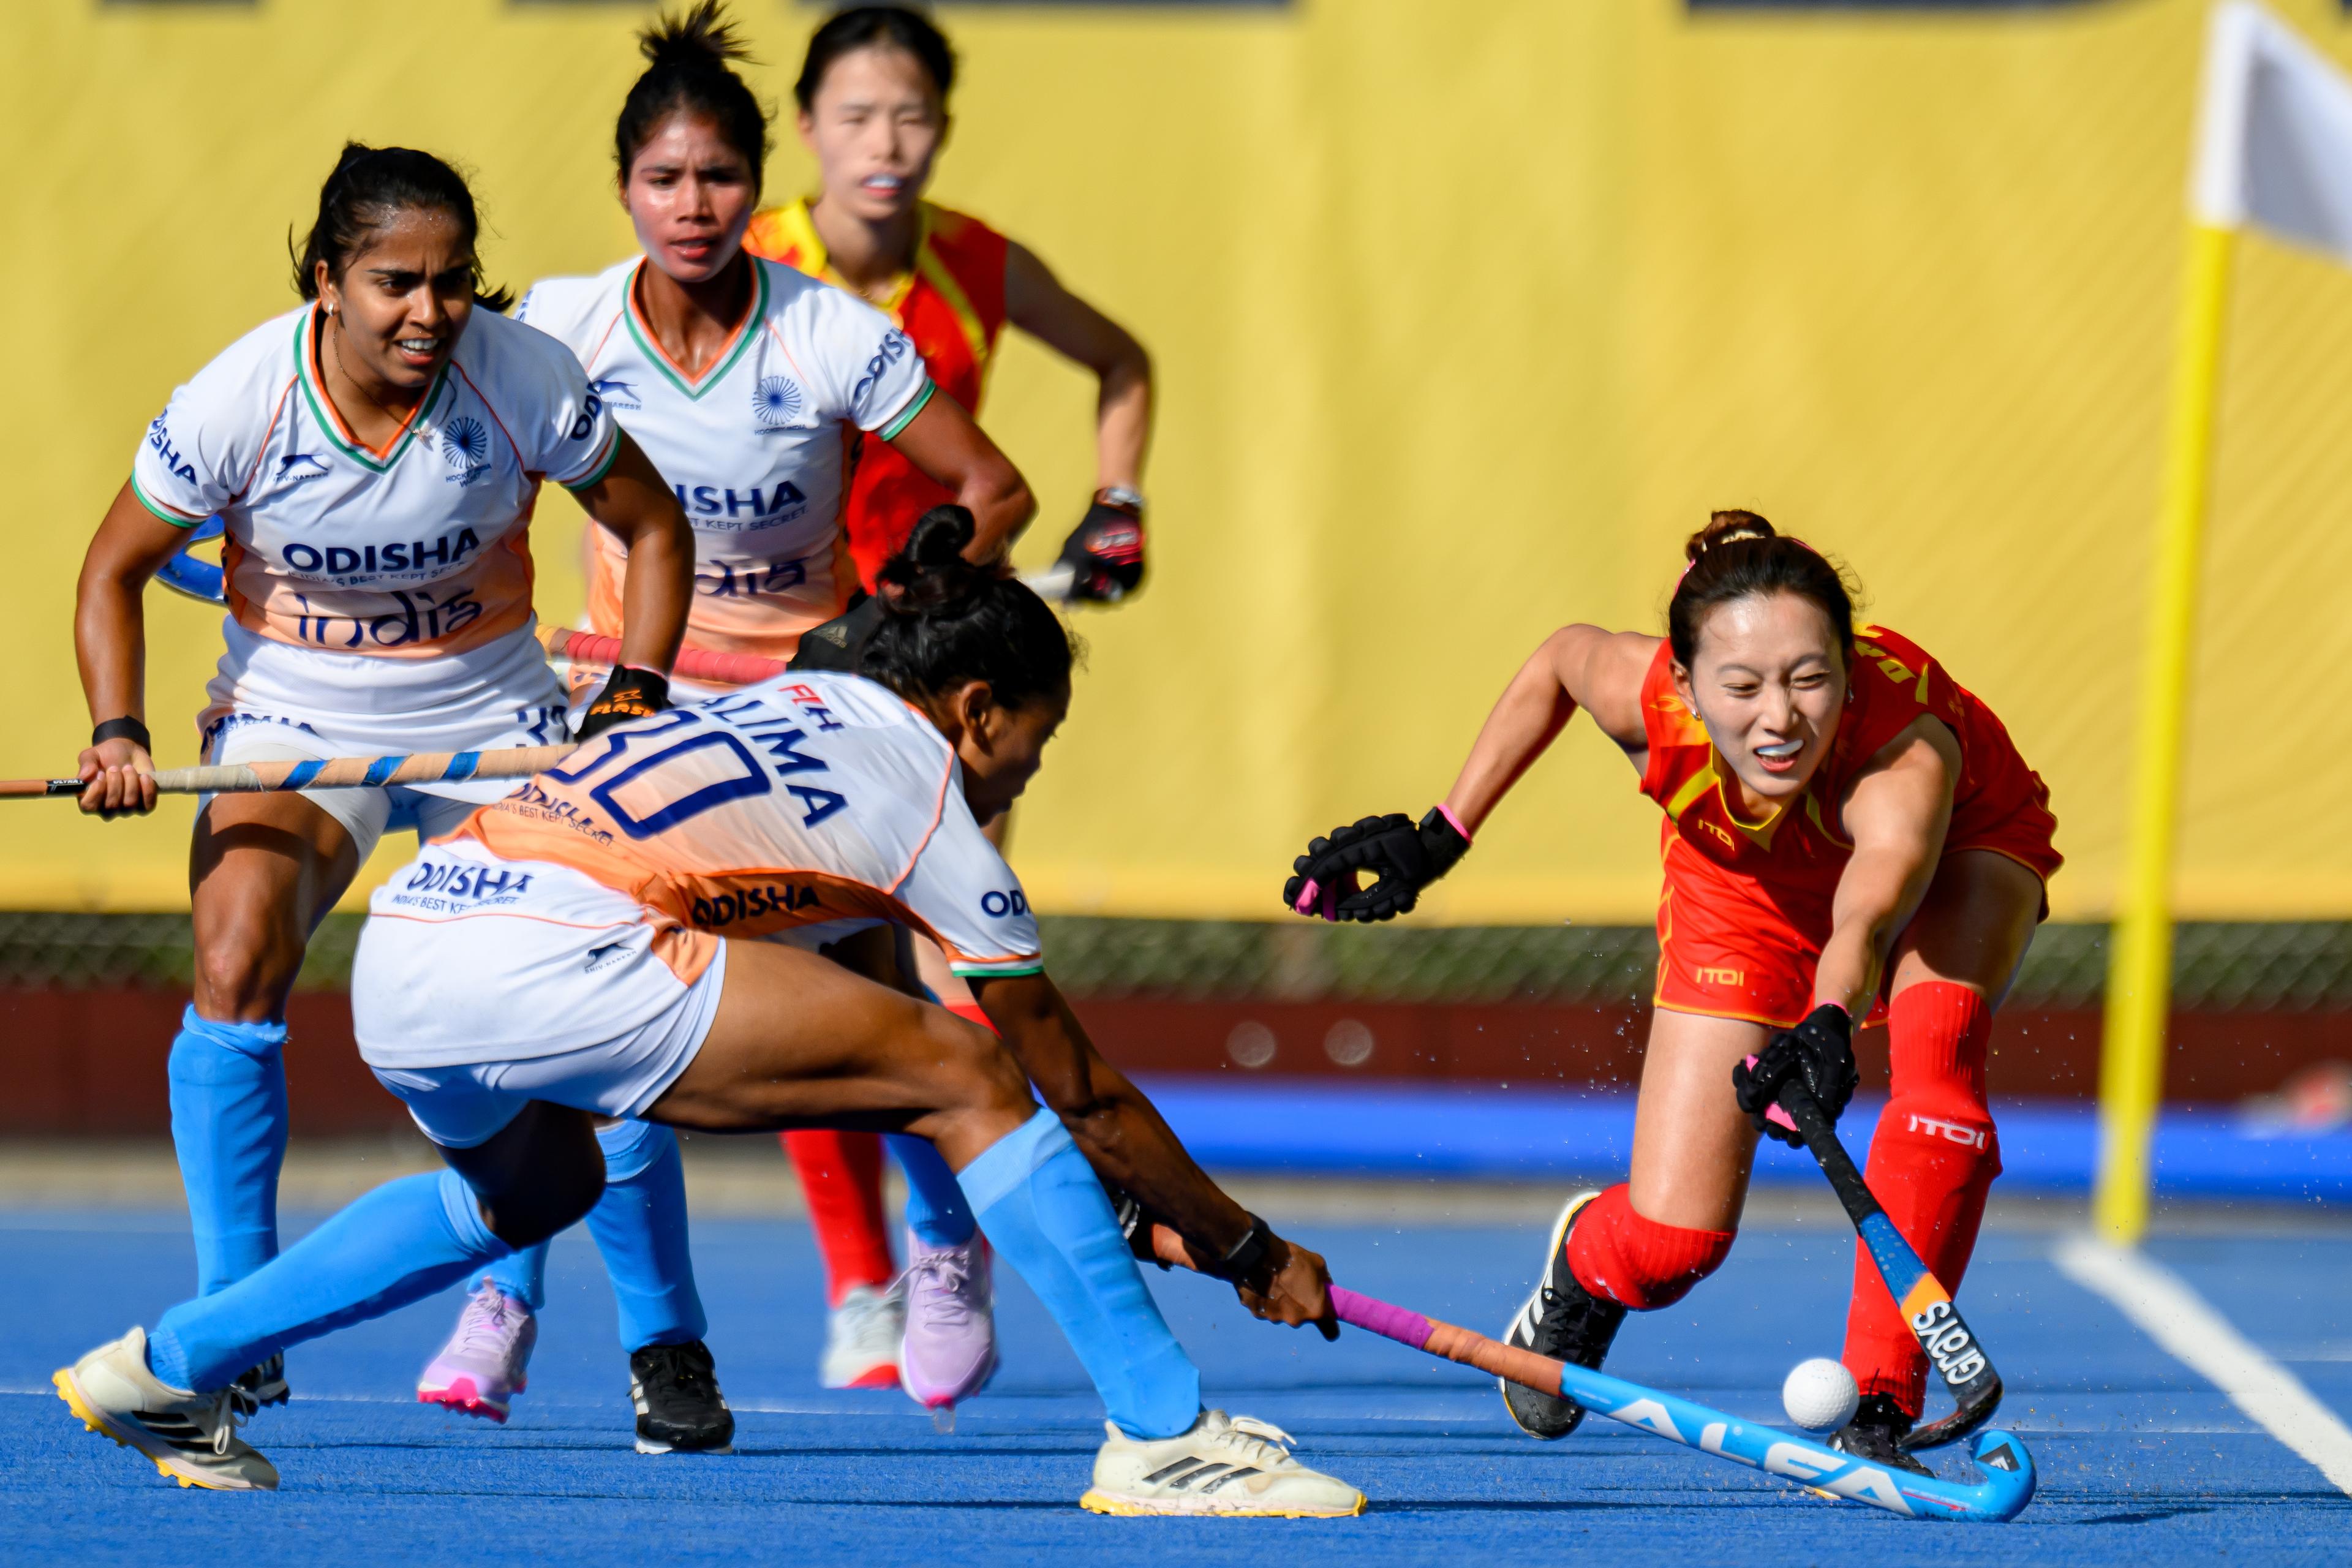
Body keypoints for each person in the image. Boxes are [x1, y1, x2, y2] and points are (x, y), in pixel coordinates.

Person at [53, 511, 1368, 1520]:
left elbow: (893, 1033)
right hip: (552, 946)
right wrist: (1249, 1250)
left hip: (413, 939)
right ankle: (1164, 1434)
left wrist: (1109, 1209)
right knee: (970, 1073)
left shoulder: (789, 701)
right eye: (1038, 737)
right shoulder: (929, 805)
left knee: (537, 1185)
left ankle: (167, 1365)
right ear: (975, 711)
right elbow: (1071, 1090)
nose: (1030, 768)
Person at [412, 2, 1035, 1439]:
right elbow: (431, 461)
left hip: (798, 707)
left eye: (719, 179)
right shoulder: (555, 324)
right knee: (571, 996)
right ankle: (509, 1289)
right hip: (627, 700)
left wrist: (910, 596)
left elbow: (996, 488)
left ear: (759, 187)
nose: (692, 207)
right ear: (625, 188)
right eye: (664, 180)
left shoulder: (831, 332)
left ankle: (945, 1239)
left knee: (874, 988)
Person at [70, 144, 692, 1417]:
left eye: (452, 281)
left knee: (589, 1010)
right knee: (234, 959)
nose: (429, 312)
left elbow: (654, 524)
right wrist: (119, 729)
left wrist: (636, 684)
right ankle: (236, 1325)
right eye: (394, 283)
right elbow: (110, 570)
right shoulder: (238, 397)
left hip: (497, 717)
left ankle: (659, 1342)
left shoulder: (524, 375)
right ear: (327, 281)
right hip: (297, 714)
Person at [1281, 513, 2060, 1473]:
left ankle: (1880, 1406)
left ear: (1850, 673)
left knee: (1940, 1083)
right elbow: (1560, 661)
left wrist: (1827, 1018)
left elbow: (1867, 912)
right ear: (1685, 686)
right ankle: (1586, 1265)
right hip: (1738, 891)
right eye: (1742, 686)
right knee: (1674, 1244)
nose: (1780, 719)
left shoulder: (1906, 760)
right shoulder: (1642, 694)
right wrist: (1445, 833)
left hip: (1959, 856)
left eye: (1810, 679)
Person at [746, 1, 1156, 1397]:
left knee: (947, 953)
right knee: (807, 956)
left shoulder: (977, 260)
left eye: (912, 116)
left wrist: (1117, 501)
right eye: (857, 116)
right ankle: (857, 1282)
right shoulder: (750, 261)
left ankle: (946, 1237)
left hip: (934, 667)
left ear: (943, 129)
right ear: (808, 128)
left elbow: (1123, 361)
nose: (887, 143)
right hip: (787, 656)